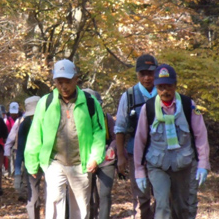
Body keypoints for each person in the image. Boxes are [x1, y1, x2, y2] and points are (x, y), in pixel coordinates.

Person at [24, 59, 106, 219]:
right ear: (54, 81)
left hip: (81, 164)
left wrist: (95, 157)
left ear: (76, 79)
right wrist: (32, 162)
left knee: (81, 210)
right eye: (59, 82)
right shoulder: (46, 103)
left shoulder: (90, 103)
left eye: (67, 81)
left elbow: (99, 132)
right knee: (54, 207)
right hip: (54, 162)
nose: (63, 86)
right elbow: (35, 133)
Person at [134, 64, 210, 219]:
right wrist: (139, 171)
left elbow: (200, 136)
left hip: (184, 164)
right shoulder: (148, 108)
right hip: (157, 164)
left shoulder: (188, 105)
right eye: (161, 87)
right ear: (156, 87)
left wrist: (203, 164)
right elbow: (140, 140)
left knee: (183, 207)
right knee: (162, 205)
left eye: (168, 86)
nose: (165, 91)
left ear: (175, 85)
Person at [114, 54, 158, 219]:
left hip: (161, 153)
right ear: (137, 74)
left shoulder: (164, 92)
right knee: (141, 197)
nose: (147, 77)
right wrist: (120, 156)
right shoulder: (129, 96)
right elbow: (120, 128)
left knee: (163, 195)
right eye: (142, 73)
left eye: (150, 73)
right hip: (136, 154)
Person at [83, 88, 117, 219]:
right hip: (86, 158)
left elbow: (115, 137)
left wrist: (111, 150)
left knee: (104, 194)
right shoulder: (79, 120)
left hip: (106, 159)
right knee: (88, 194)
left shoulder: (107, 118)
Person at [15, 96, 42, 218]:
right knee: (33, 197)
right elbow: (20, 148)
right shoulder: (25, 125)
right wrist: (17, 172)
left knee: (53, 196)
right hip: (31, 161)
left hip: (50, 161)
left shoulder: (49, 121)